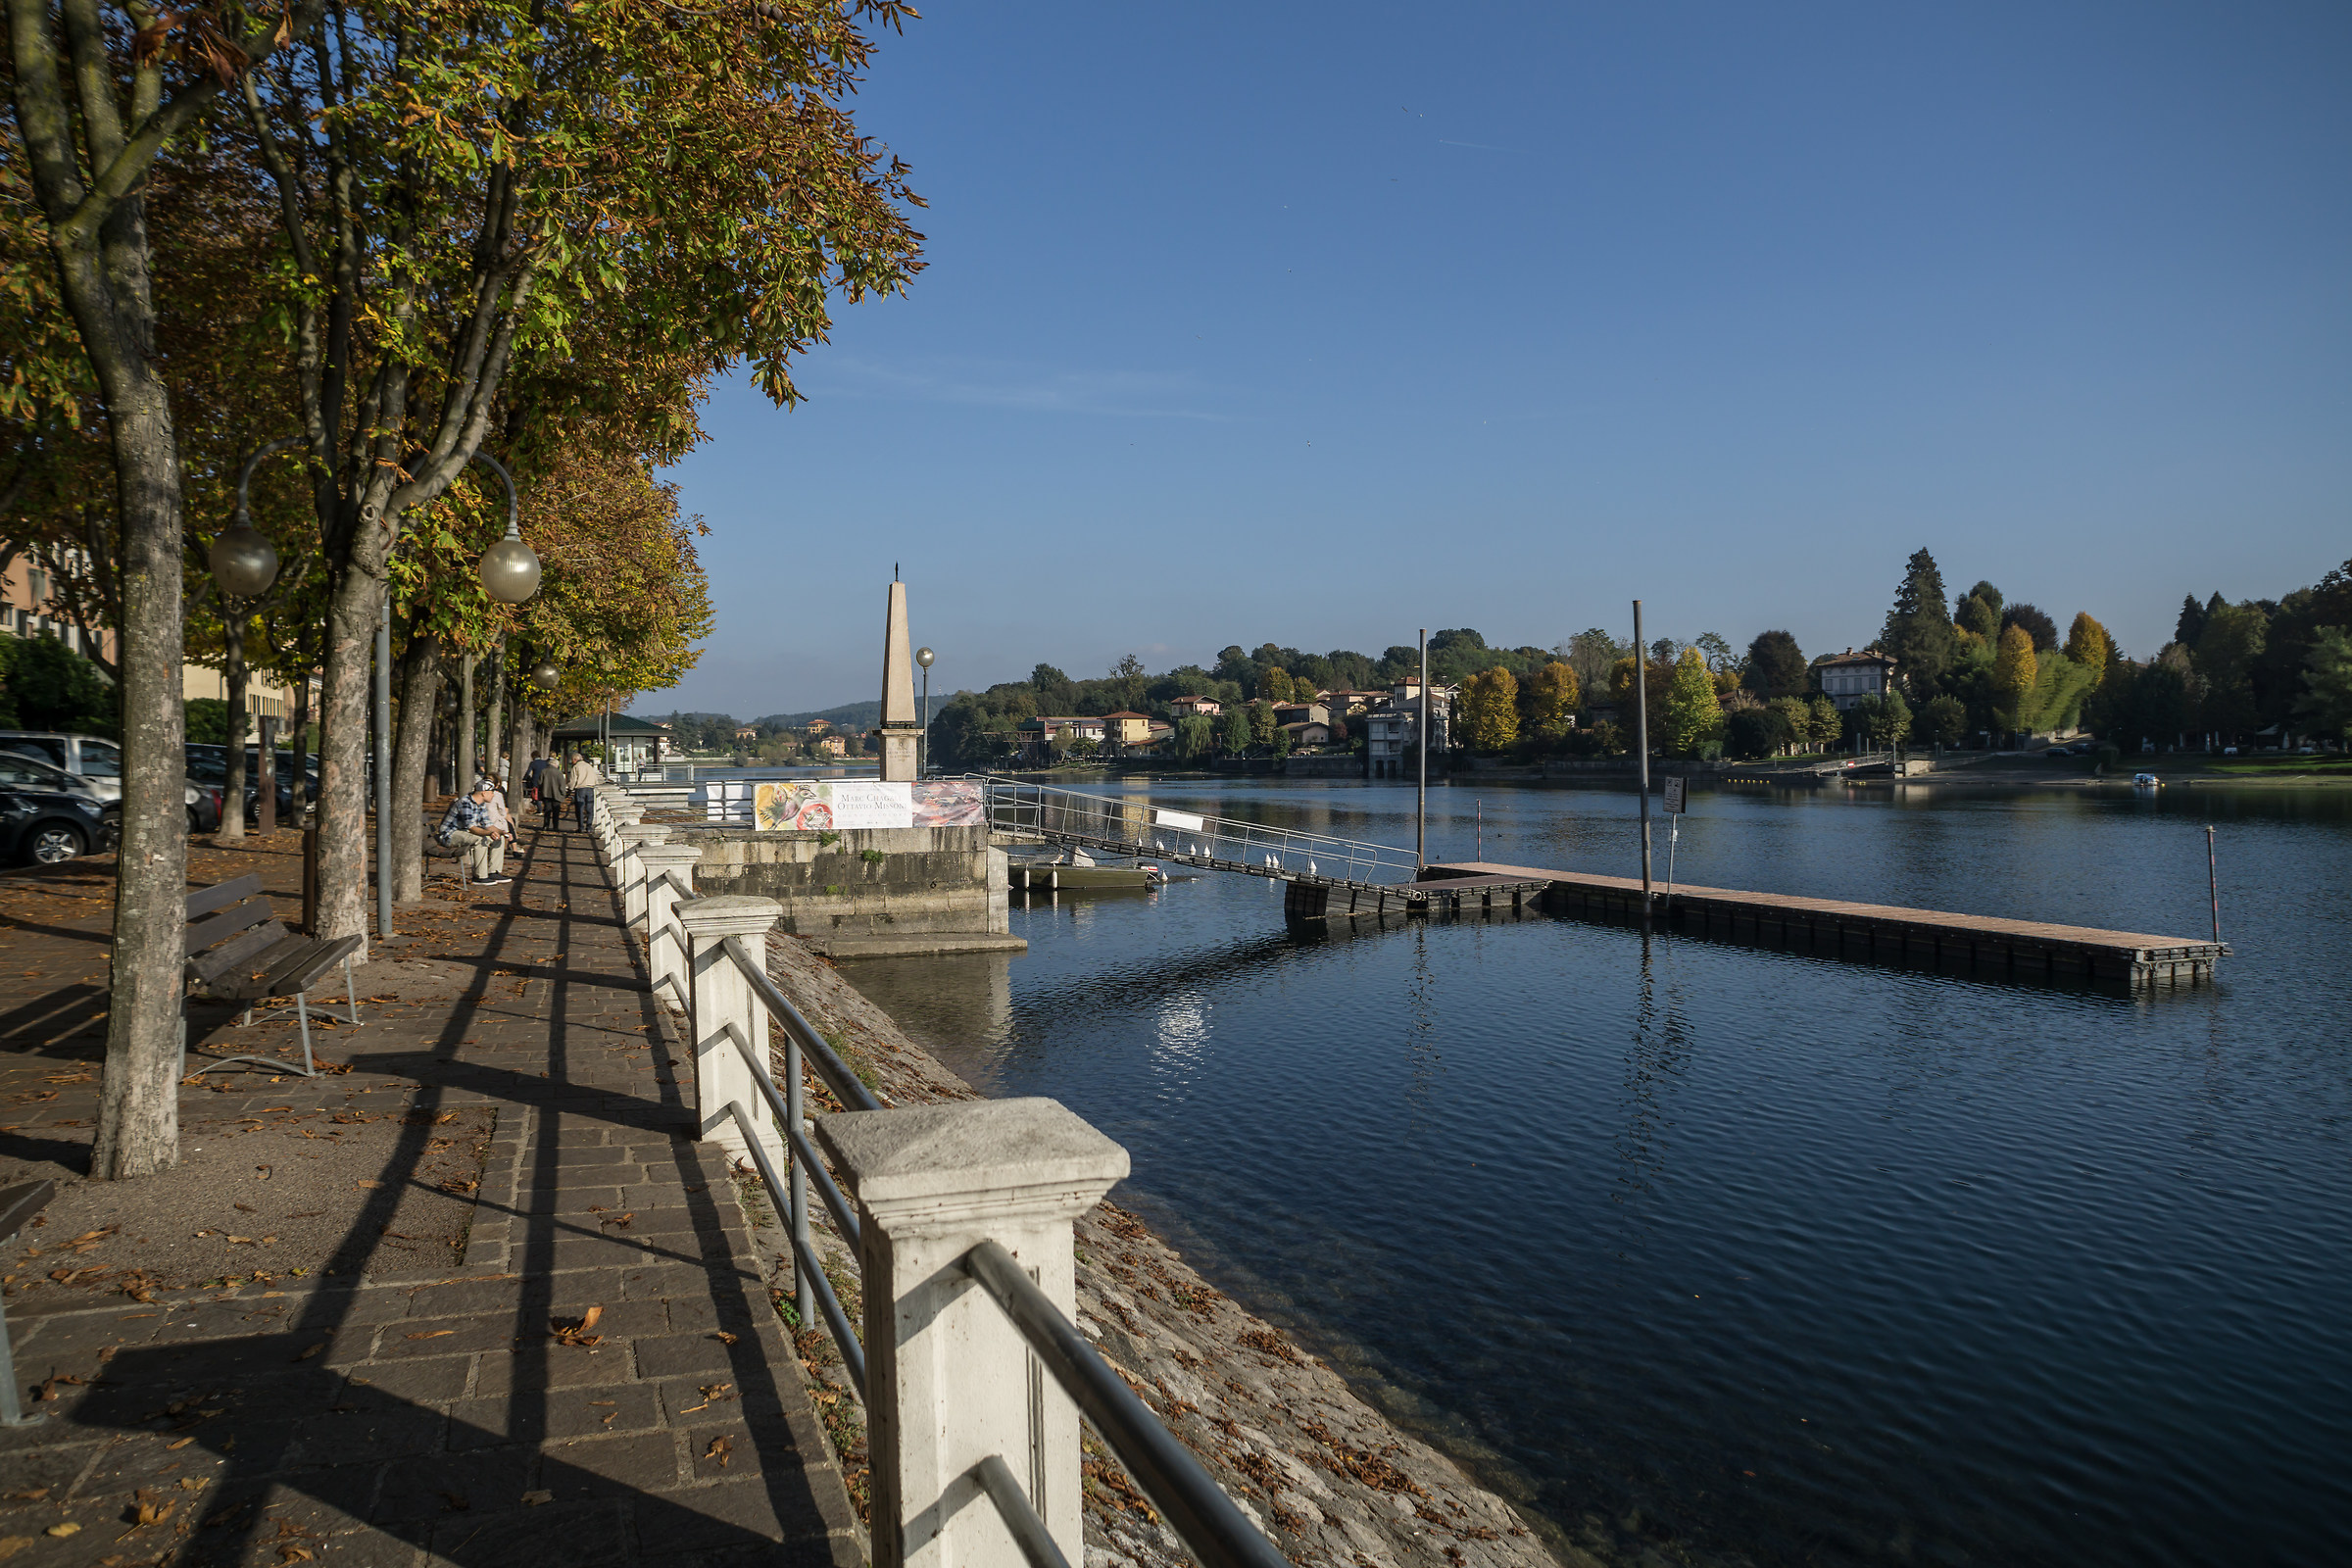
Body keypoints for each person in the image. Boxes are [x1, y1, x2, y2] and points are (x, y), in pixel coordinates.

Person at [435, 777, 512, 886]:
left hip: (465, 832)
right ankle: (480, 876)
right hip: (450, 834)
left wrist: (502, 832)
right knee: (480, 839)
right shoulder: (465, 803)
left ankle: (493, 872)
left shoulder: (481, 804)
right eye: (492, 792)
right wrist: (489, 833)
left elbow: (488, 825)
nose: (493, 795)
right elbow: (471, 827)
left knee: (500, 838)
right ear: (484, 793)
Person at [565, 750, 604, 832]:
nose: (572, 762)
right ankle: (589, 827)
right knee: (589, 808)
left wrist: (570, 789)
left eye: (572, 760)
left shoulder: (576, 767)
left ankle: (581, 827)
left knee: (580, 808)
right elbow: (595, 778)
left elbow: (573, 780)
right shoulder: (589, 766)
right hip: (590, 788)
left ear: (575, 759)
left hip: (580, 788)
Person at [525, 750, 562, 830]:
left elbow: (538, 781)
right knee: (556, 811)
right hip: (556, 793)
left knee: (547, 809)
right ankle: (555, 826)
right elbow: (561, 784)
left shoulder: (540, 768)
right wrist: (562, 794)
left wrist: (526, 779)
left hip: (545, 790)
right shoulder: (558, 772)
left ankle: (545, 825)